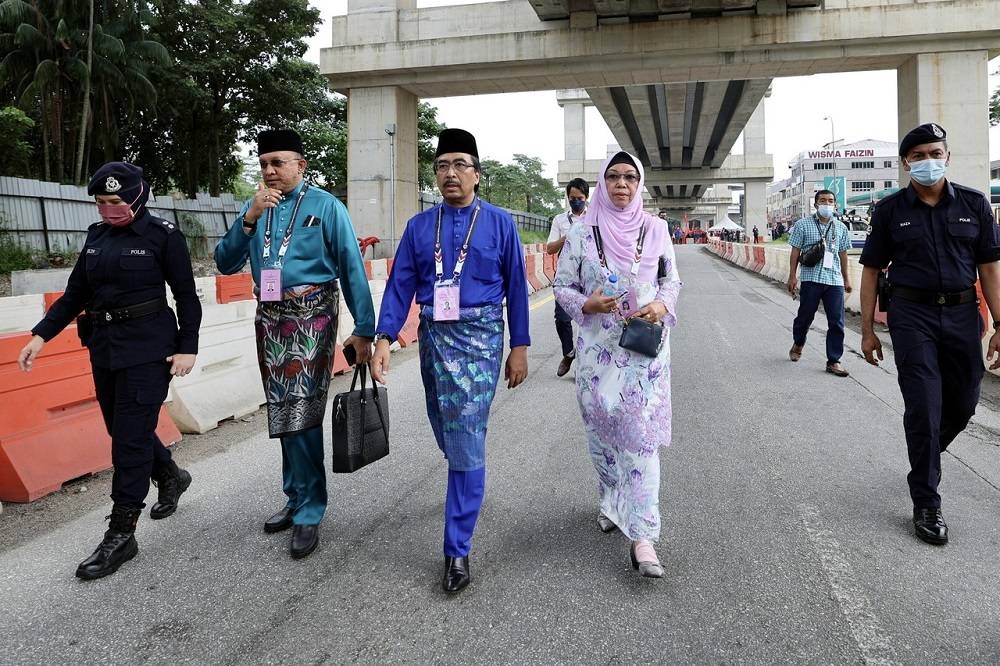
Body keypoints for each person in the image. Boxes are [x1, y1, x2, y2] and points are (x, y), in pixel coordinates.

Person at [17, 162, 201, 580]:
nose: (108, 210)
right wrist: (40, 336)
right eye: (101, 203)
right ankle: (171, 475)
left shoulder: (163, 237)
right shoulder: (97, 237)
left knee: (128, 443)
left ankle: (122, 532)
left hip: (150, 349)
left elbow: (187, 297)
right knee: (123, 430)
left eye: (115, 202)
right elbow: (74, 295)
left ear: (137, 197)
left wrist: (187, 347)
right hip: (104, 348)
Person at [370, 128, 530, 594]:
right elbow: (401, 283)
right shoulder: (421, 227)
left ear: (477, 175)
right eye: (442, 166)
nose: (451, 173)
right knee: (444, 423)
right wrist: (384, 338)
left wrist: (519, 345)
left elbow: (518, 287)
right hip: (433, 339)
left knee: (462, 434)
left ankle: (456, 548)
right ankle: (467, 462)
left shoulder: (499, 223)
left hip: (481, 341)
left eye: (461, 164)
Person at [214, 129, 375, 559]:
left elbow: (351, 268)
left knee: (302, 410)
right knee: (282, 408)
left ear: (300, 166)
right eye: (263, 163)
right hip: (269, 318)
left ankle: (310, 509)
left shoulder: (325, 207)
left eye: (277, 163)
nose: (269, 171)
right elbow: (224, 260)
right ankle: (295, 494)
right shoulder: (257, 210)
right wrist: (248, 218)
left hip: (312, 315)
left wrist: (365, 329)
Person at [859, 122, 1000, 546]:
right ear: (906, 163)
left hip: (962, 317)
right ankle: (926, 500)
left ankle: (927, 454)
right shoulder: (889, 212)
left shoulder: (975, 205)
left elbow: (990, 269)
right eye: (918, 156)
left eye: (934, 153)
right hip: (911, 316)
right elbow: (870, 272)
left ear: (948, 157)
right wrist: (867, 331)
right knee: (923, 405)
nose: (927, 162)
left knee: (964, 403)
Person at [553, 151, 682, 579]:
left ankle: (644, 537)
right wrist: (585, 303)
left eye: (629, 177)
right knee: (602, 437)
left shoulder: (656, 229)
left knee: (640, 442)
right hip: (596, 354)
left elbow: (670, 279)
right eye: (613, 177)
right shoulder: (581, 233)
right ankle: (610, 499)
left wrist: (662, 304)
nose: (621, 184)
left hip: (643, 353)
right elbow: (562, 285)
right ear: (602, 183)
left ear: (639, 183)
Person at [786, 189, 853, 376]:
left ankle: (834, 360)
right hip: (811, 278)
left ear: (835, 204)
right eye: (823, 201)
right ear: (815, 204)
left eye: (830, 201)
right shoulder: (802, 225)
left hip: (834, 280)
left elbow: (843, 254)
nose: (827, 204)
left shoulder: (841, 228)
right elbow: (795, 252)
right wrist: (792, 276)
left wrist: (846, 278)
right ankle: (798, 342)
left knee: (837, 322)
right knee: (805, 317)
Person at [546, 177, 589, 377]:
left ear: (586, 198)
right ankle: (568, 353)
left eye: (579, 198)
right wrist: (570, 235)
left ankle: (584, 364)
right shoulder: (559, 220)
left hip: (589, 277)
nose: (576, 201)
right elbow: (550, 249)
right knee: (562, 319)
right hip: (566, 277)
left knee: (589, 321)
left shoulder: (594, 219)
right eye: (572, 198)